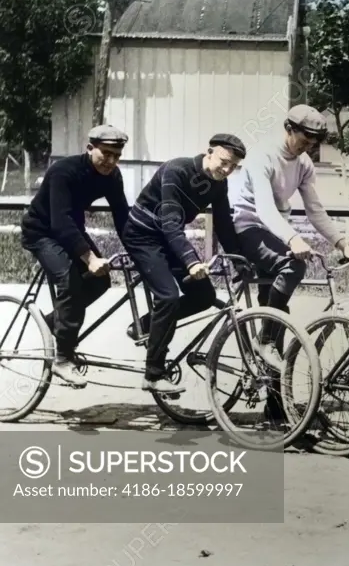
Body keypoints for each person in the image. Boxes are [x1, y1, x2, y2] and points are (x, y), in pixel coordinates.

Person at [227, 104, 349, 367]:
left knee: (277, 314)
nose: (306, 147)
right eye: (303, 140)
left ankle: (277, 407)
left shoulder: (304, 163)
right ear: (289, 129)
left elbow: (315, 209)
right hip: (248, 227)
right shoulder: (262, 156)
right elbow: (264, 208)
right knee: (293, 265)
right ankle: (265, 340)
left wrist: (342, 244)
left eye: (312, 143)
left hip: (273, 231)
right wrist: (293, 239)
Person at [122, 134, 247, 395]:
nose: (226, 170)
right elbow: (169, 222)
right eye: (223, 162)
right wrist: (191, 260)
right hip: (142, 235)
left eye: (233, 167)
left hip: (169, 237)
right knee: (167, 297)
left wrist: (238, 260)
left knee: (203, 296)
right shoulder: (176, 170)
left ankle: (145, 326)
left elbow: (224, 224)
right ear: (209, 152)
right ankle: (153, 373)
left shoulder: (218, 183)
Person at [20, 125, 131, 387]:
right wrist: (90, 258)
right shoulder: (64, 171)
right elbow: (61, 222)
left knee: (101, 281)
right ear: (90, 148)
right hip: (42, 232)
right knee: (70, 281)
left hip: (70, 230)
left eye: (117, 156)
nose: (111, 161)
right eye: (106, 153)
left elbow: (123, 218)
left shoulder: (112, 176)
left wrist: (140, 250)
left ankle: (54, 323)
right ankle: (62, 359)